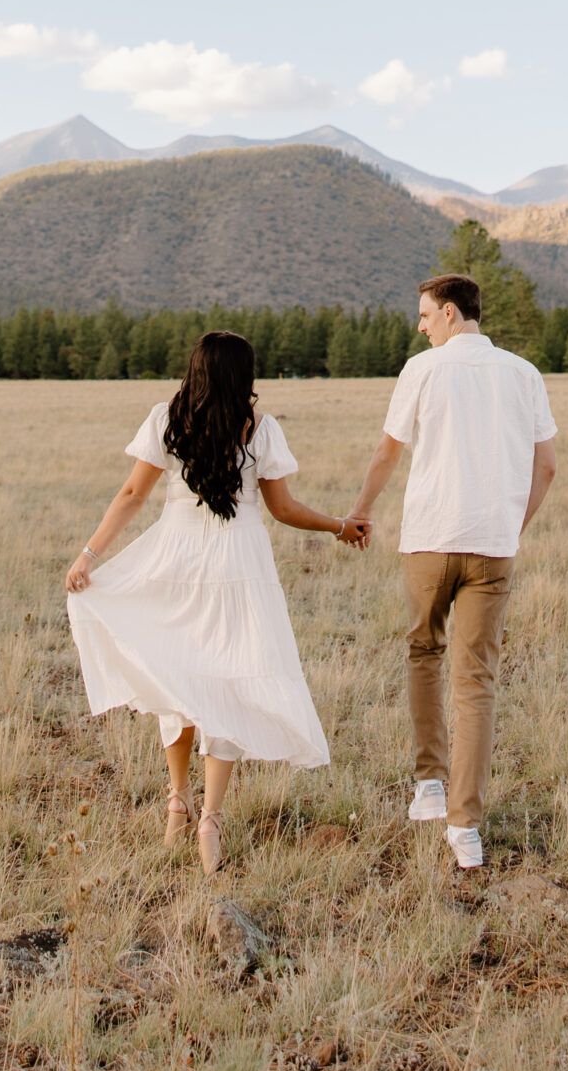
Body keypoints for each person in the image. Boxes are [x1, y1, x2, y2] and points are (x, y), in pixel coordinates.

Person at [65, 329, 365, 874]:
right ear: (243, 375)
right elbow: (285, 509)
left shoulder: (166, 419)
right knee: (224, 682)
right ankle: (210, 817)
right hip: (237, 563)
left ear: (195, 370)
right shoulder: (261, 428)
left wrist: (90, 554)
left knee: (178, 675)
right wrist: (339, 526)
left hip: (174, 559)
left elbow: (132, 495)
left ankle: (177, 798)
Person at [347, 272, 557, 870]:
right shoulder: (523, 373)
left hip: (431, 539)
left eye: (423, 315)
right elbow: (547, 468)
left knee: (423, 652)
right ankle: (466, 829)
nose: (419, 326)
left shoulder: (423, 369)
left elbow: (389, 451)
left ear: (449, 313)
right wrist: (512, 527)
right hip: (493, 545)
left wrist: (360, 512)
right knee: (477, 682)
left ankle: (429, 784)